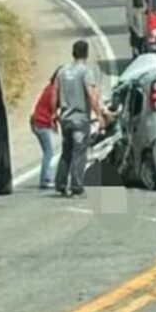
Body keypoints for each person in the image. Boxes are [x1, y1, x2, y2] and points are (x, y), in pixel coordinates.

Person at [52, 40, 105, 198]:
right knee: (79, 153)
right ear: (86, 53)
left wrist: (54, 113)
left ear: (73, 52)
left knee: (66, 152)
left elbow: (54, 93)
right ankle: (76, 186)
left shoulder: (62, 71)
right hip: (80, 119)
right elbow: (91, 94)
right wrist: (99, 114)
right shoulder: (85, 72)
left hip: (65, 118)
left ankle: (60, 183)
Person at [30, 68, 60, 189]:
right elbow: (53, 110)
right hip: (41, 123)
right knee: (48, 152)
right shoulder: (53, 91)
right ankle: (44, 180)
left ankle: (46, 178)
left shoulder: (49, 88)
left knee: (47, 151)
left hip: (37, 122)